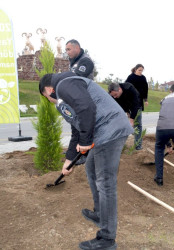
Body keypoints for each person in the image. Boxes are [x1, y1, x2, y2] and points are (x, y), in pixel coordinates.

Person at [39, 71, 133, 250]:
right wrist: (68, 160)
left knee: (106, 183)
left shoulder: (64, 84)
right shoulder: (66, 96)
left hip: (109, 131)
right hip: (102, 133)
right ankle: (100, 213)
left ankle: (107, 239)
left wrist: (85, 142)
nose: (49, 100)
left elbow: (87, 109)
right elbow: (77, 127)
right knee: (90, 169)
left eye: (46, 97)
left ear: (49, 89)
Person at [65, 39, 95, 165]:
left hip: (85, 99)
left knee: (84, 126)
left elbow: (77, 78)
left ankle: (85, 155)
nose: (67, 52)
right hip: (77, 98)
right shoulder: (74, 61)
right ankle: (76, 151)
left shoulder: (85, 61)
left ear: (77, 48)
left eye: (68, 49)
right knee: (76, 126)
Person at [108, 82, 142, 147]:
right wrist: (127, 112)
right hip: (126, 106)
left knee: (138, 124)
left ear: (119, 89)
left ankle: (138, 145)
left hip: (136, 104)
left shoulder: (130, 88)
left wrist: (132, 119)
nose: (114, 97)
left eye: (115, 95)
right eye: (113, 96)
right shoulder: (113, 95)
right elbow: (120, 105)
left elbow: (136, 104)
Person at [125, 64, 148, 150]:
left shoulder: (143, 78)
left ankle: (138, 145)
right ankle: (123, 143)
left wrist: (145, 100)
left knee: (138, 124)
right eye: (139, 70)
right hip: (131, 103)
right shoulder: (130, 77)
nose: (141, 72)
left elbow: (145, 88)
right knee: (132, 123)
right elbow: (125, 89)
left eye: (142, 70)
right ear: (135, 69)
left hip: (139, 103)